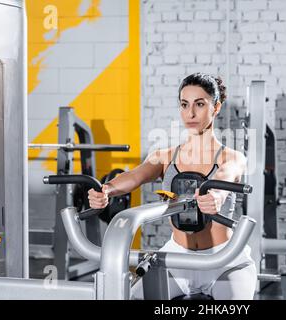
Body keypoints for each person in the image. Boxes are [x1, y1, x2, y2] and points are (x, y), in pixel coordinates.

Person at [88, 72, 256, 299]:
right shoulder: (165, 156)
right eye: (184, 105)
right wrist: (107, 190)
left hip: (224, 261)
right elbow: (135, 176)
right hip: (177, 258)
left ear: (216, 108)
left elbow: (225, 178)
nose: (191, 113)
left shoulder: (232, 157)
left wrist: (216, 195)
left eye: (199, 104)